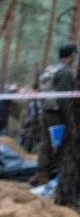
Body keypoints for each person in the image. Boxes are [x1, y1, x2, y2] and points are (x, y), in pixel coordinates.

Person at [34, 44, 76, 184]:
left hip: (46, 110)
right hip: (58, 114)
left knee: (47, 142)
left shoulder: (50, 69)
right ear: (71, 56)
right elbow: (65, 98)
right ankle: (50, 173)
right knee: (58, 144)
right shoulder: (65, 73)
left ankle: (42, 171)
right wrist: (70, 117)